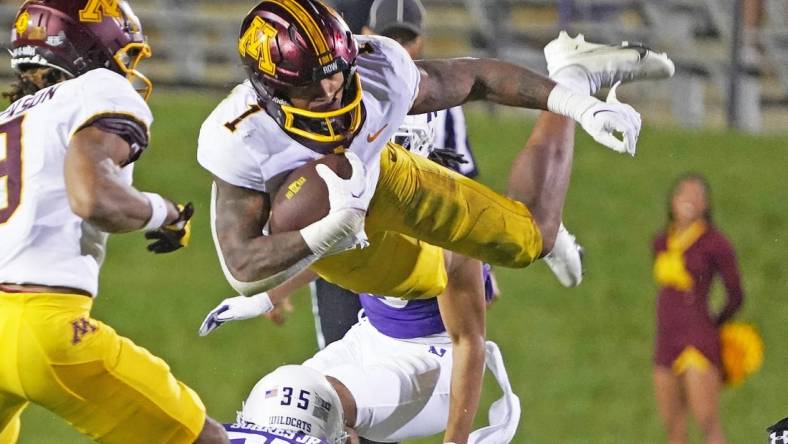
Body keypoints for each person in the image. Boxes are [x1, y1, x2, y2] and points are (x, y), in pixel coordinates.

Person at [197, 0, 673, 307]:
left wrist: (579, 105)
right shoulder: (239, 134)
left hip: (385, 178)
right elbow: (241, 267)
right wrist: (328, 231)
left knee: (531, 239)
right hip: (334, 236)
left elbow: (476, 78)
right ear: (268, 86)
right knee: (430, 283)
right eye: (309, 81)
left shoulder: (379, 68)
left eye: (336, 70)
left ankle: (575, 73)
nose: (329, 87)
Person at [0, 1, 227, 443]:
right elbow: (93, 197)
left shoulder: (9, 120)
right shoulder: (97, 87)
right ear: (91, 49)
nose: (126, 70)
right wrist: (165, 212)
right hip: (42, 326)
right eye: (123, 56)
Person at [202, 251, 518, 444]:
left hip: (432, 364)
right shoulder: (370, 201)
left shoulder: (444, 235)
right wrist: (264, 297)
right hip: (367, 336)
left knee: (315, 403)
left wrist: (455, 442)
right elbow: (330, 254)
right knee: (276, 402)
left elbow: (469, 343)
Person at [652, 173, 744, 444]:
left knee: (707, 422)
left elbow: (735, 294)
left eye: (697, 195)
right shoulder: (661, 241)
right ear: (672, 200)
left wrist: (714, 325)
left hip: (697, 342)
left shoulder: (714, 243)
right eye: (683, 193)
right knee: (673, 426)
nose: (689, 200)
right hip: (666, 340)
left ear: (706, 205)